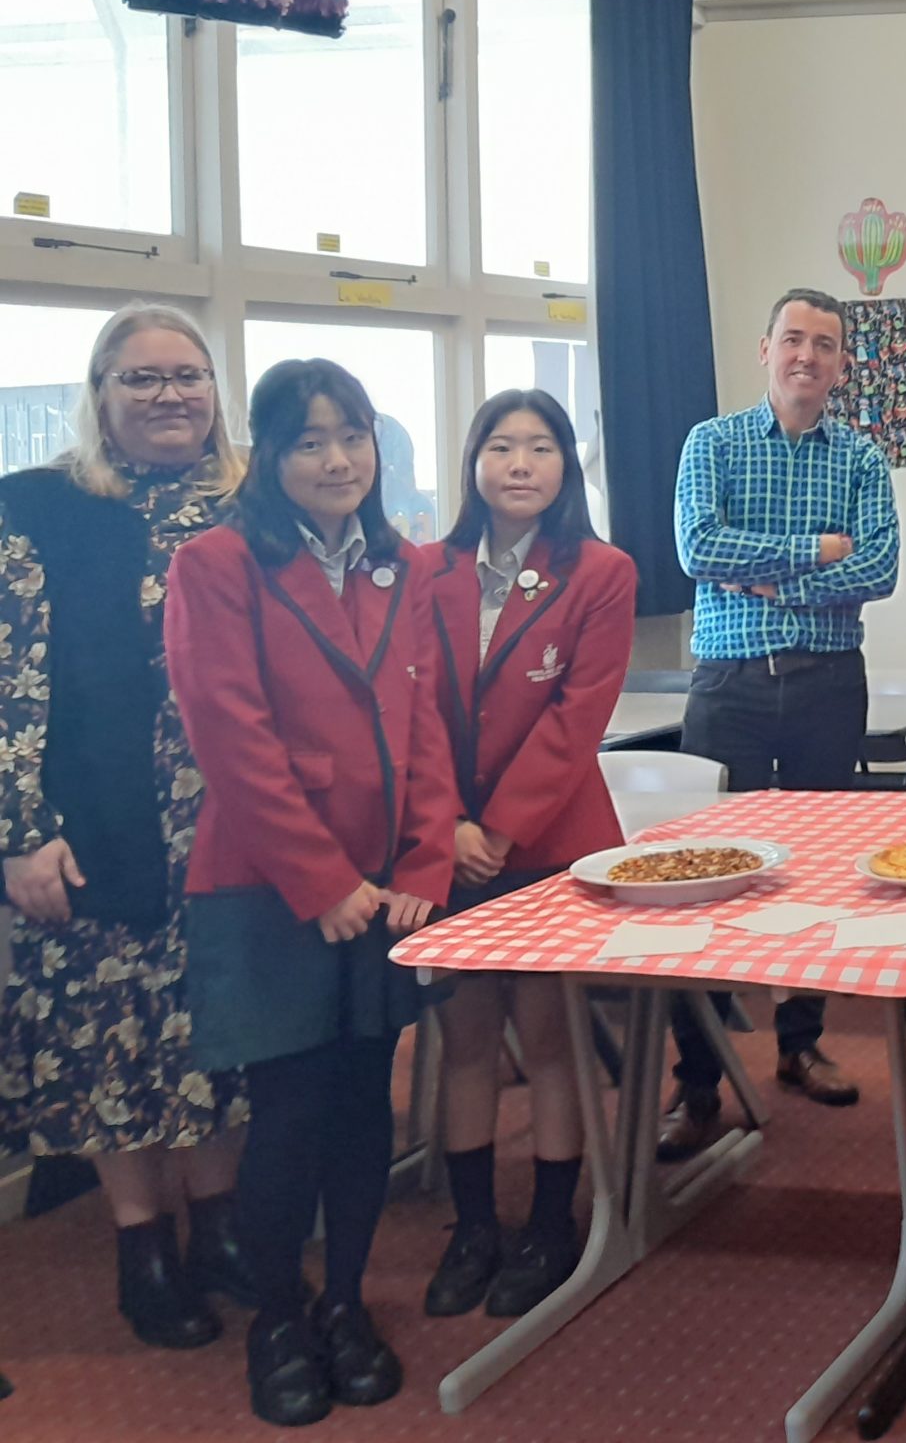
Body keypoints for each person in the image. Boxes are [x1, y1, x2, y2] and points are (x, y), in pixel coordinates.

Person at [165, 360, 462, 1426]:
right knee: (289, 1114)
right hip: (270, 885)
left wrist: (424, 863)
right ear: (269, 454)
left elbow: (423, 723)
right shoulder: (217, 562)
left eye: (353, 437)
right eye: (309, 441)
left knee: (363, 1104)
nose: (338, 460)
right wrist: (323, 881)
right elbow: (229, 735)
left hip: (386, 890)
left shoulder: (398, 563)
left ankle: (344, 1301)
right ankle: (280, 1316)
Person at [0, 306, 253, 1352]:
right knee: (113, 1047)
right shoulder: (37, 508)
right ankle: (142, 1246)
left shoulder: (253, 504)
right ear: (99, 393)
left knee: (221, 1034)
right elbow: (8, 679)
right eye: (141, 378)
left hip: (236, 827)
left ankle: (221, 1229)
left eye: (188, 375)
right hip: (94, 825)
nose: (168, 395)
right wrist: (18, 832)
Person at [661, 289, 899, 1158]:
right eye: (793, 339)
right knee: (705, 875)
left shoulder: (863, 456)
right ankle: (697, 1080)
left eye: (824, 345)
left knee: (819, 871)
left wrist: (766, 578)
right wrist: (813, 552)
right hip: (729, 686)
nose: (807, 355)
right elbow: (698, 549)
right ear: (765, 348)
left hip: (829, 685)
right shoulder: (712, 442)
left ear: (842, 364)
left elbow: (879, 569)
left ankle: (801, 1045)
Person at [419, 391, 637, 1319]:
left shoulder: (602, 571)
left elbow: (576, 719)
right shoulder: (422, 571)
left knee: (548, 1040)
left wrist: (500, 829)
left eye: (540, 447)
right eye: (500, 446)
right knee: (466, 1041)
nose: (519, 464)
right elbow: (407, 713)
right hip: (448, 845)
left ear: (566, 465)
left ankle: (552, 1223)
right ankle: (474, 1226)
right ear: (472, 460)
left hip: (550, 843)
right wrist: (445, 826)